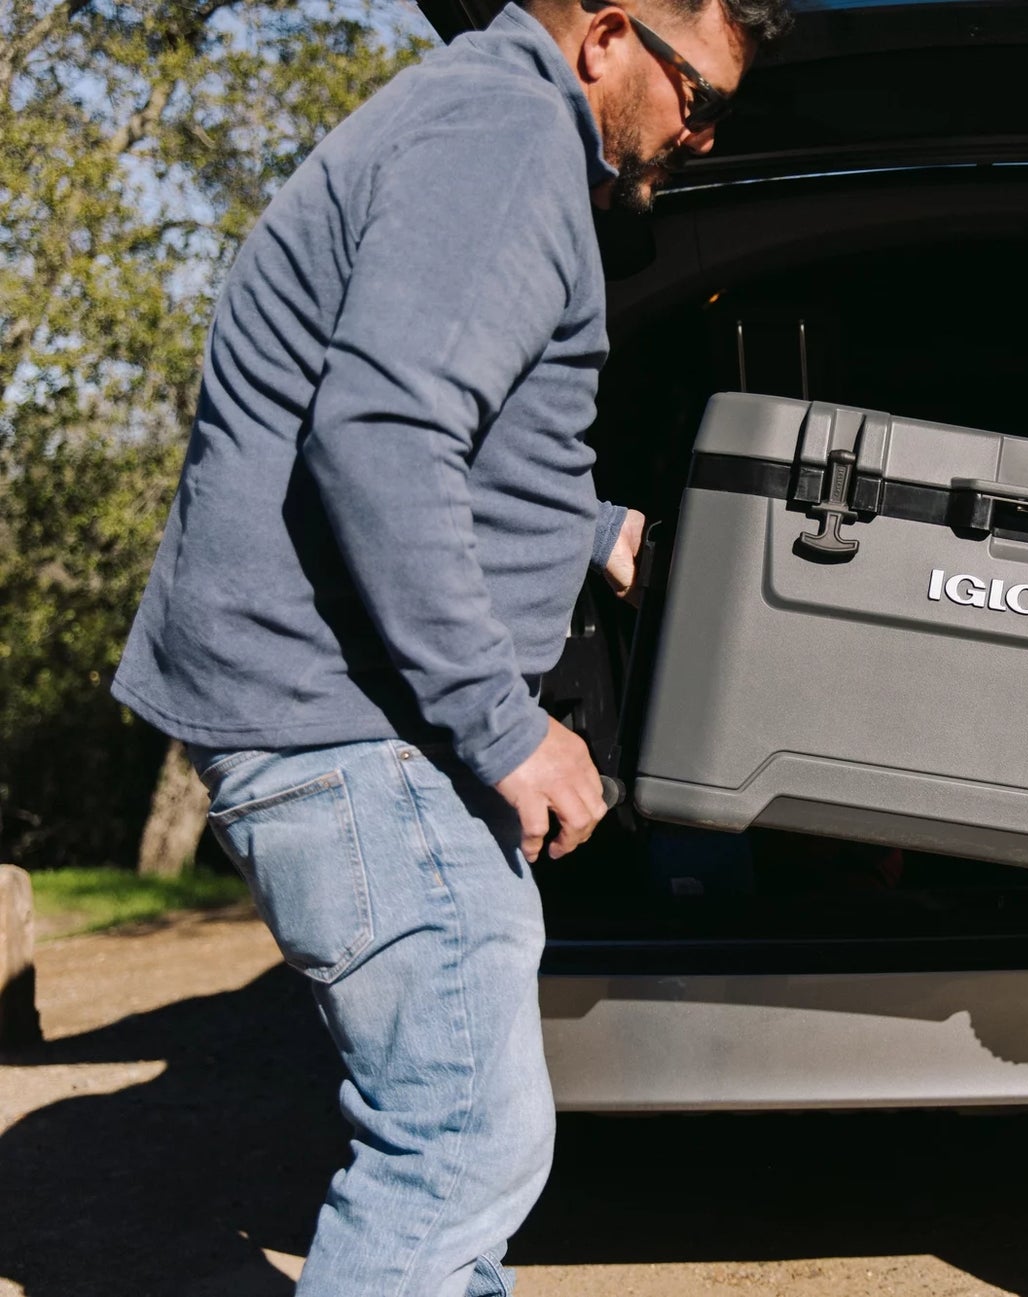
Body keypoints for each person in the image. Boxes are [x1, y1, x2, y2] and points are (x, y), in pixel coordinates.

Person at [111, 0, 789, 1292]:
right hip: (342, 724)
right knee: (459, 1141)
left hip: (331, 712)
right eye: (699, 100)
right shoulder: (507, 136)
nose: (701, 137)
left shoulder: (474, 118)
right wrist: (502, 722)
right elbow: (378, 429)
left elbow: (412, 410)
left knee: (465, 1141)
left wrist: (588, 526)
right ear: (606, 37)